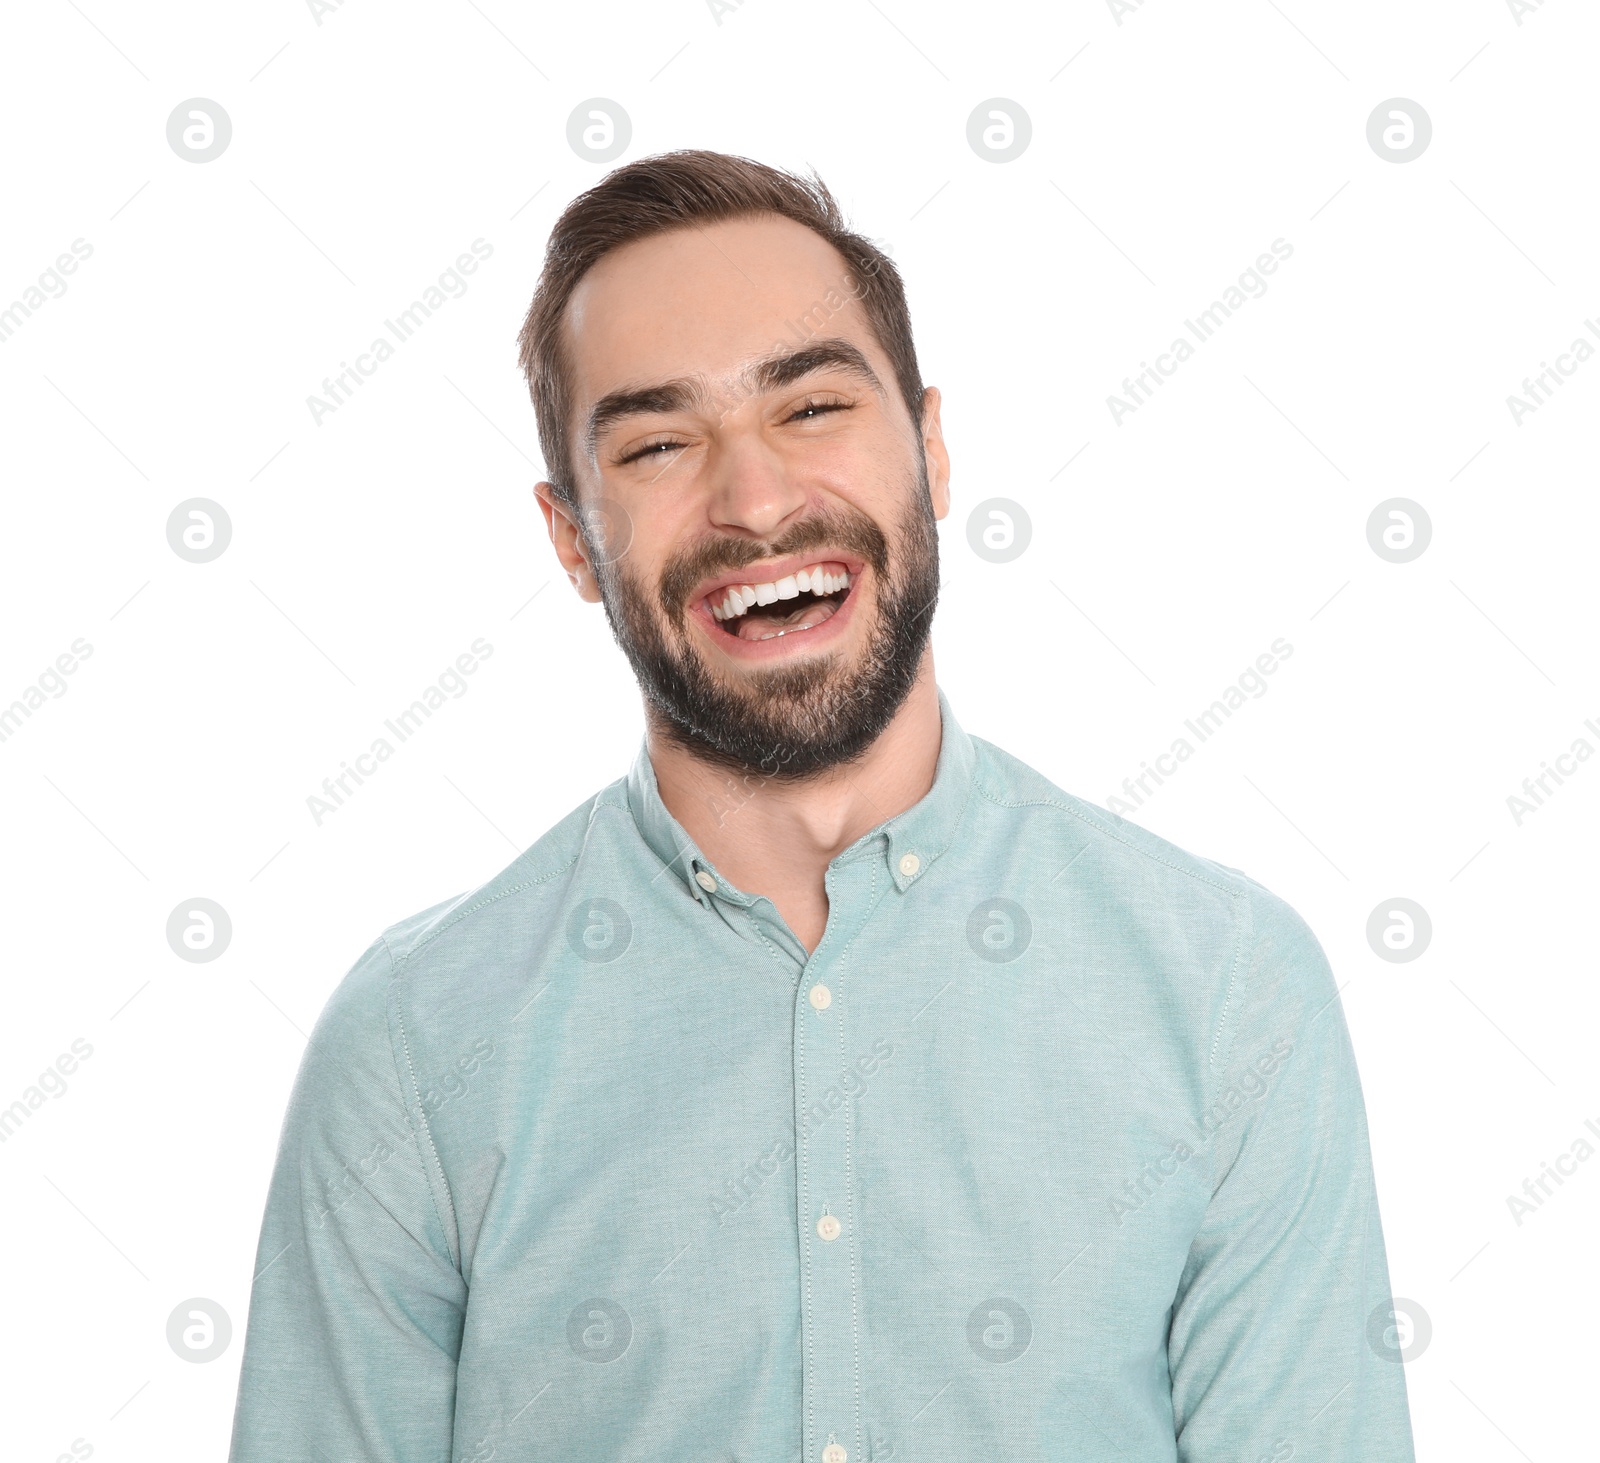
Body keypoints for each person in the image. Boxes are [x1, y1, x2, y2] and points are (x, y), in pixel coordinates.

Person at [229, 150, 1415, 1462]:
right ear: (572, 540)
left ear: (934, 448)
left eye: (809, 410)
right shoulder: (412, 1044)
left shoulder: (1226, 986)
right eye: (662, 444)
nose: (754, 502)